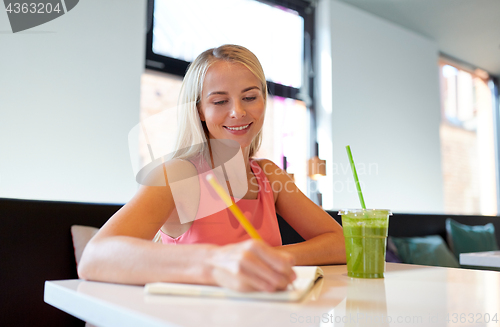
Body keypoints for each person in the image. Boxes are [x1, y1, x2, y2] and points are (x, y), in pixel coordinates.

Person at [78, 44, 345, 292]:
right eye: (219, 101)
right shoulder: (176, 176)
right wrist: (218, 262)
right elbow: (93, 258)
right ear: (200, 111)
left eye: (250, 97)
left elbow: (342, 243)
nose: (238, 112)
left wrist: (270, 259)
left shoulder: (269, 176)